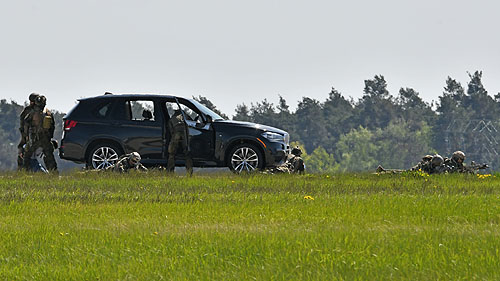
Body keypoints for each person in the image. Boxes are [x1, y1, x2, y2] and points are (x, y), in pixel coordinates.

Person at [22, 95, 58, 172]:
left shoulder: (33, 112)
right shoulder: (48, 113)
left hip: (35, 139)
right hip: (45, 139)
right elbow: (52, 127)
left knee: (27, 157)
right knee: (49, 157)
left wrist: (27, 136)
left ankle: (25, 172)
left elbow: (26, 123)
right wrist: (49, 137)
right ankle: (53, 173)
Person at [166, 109, 193, 175]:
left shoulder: (172, 118)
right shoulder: (185, 117)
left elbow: (170, 129)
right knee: (187, 153)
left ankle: (170, 171)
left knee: (172, 154)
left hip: (176, 134)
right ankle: (189, 172)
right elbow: (192, 123)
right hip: (185, 134)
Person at [17, 93, 39, 170]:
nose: (31, 103)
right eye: (31, 101)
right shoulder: (28, 109)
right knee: (21, 149)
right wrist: (23, 131)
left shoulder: (40, 110)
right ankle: (21, 169)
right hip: (26, 133)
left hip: (36, 135)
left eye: (33, 101)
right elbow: (22, 118)